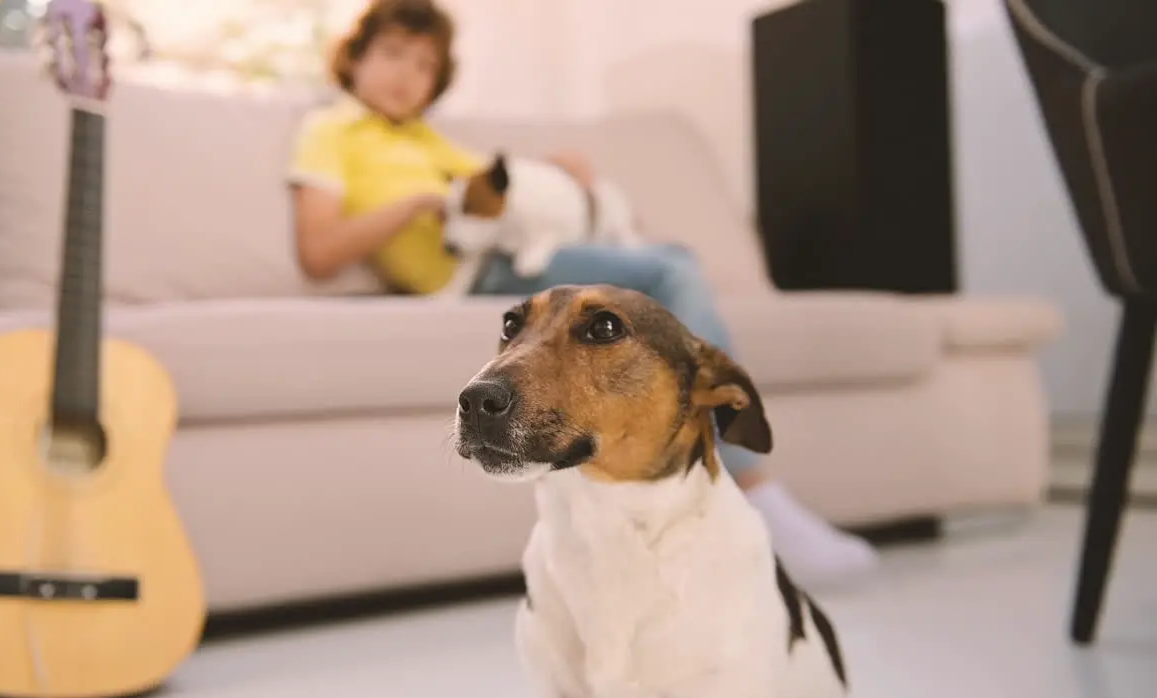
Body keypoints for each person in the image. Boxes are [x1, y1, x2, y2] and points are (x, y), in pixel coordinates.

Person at [288, 0, 878, 586]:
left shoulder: (431, 142)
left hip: (507, 252)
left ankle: (710, 495)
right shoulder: (330, 130)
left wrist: (556, 170)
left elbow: (508, 193)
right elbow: (319, 253)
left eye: (423, 65)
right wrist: (413, 205)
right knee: (672, 272)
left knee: (669, 265)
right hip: (476, 273)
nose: (405, 74)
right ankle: (754, 490)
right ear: (355, 58)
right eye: (392, 54)